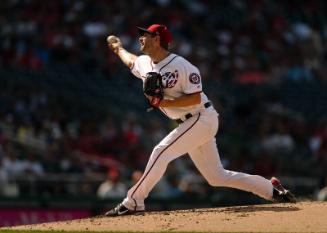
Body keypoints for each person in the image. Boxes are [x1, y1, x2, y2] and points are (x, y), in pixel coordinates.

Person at [105, 24, 296, 217]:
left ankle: (134, 201)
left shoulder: (182, 66)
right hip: (190, 123)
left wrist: (163, 101)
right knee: (216, 176)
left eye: (145, 35)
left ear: (157, 39)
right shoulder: (145, 62)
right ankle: (272, 190)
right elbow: (131, 61)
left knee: (160, 152)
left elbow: (195, 98)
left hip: (201, 117)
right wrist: (118, 48)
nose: (140, 38)